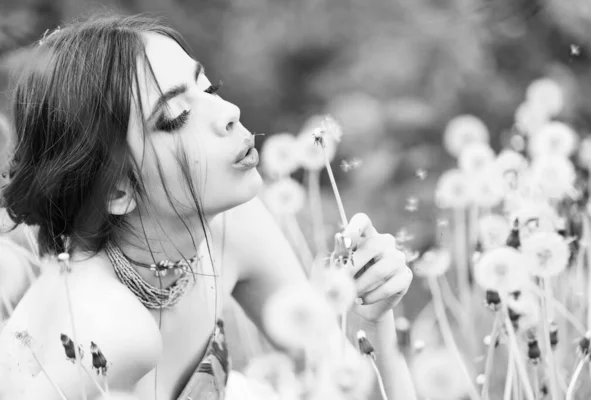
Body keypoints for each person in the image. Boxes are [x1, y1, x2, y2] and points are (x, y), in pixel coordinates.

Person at [0, 13, 415, 400]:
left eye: (209, 89)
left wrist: (371, 320)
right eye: (177, 115)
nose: (229, 113)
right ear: (115, 190)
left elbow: (350, 386)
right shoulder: (110, 329)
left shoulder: (230, 225)